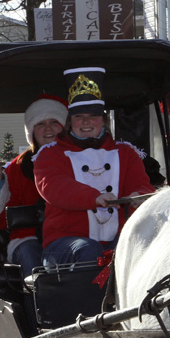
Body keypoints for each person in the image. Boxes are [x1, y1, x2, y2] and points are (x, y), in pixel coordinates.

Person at [33, 67, 154, 266]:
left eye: (94, 116)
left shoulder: (125, 153)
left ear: (104, 120)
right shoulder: (50, 154)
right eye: (79, 116)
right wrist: (94, 197)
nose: (86, 121)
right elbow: (55, 187)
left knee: (140, 245)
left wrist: (138, 195)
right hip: (64, 243)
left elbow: (142, 185)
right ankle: (93, 297)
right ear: (70, 122)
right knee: (89, 251)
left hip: (116, 239)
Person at [0, 95, 67, 275]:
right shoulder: (18, 168)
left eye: (54, 122)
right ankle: (38, 302)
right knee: (30, 255)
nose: (48, 128)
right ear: (32, 132)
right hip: (28, 239)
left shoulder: (81, 160)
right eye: (40, 124)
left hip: (73, 235)